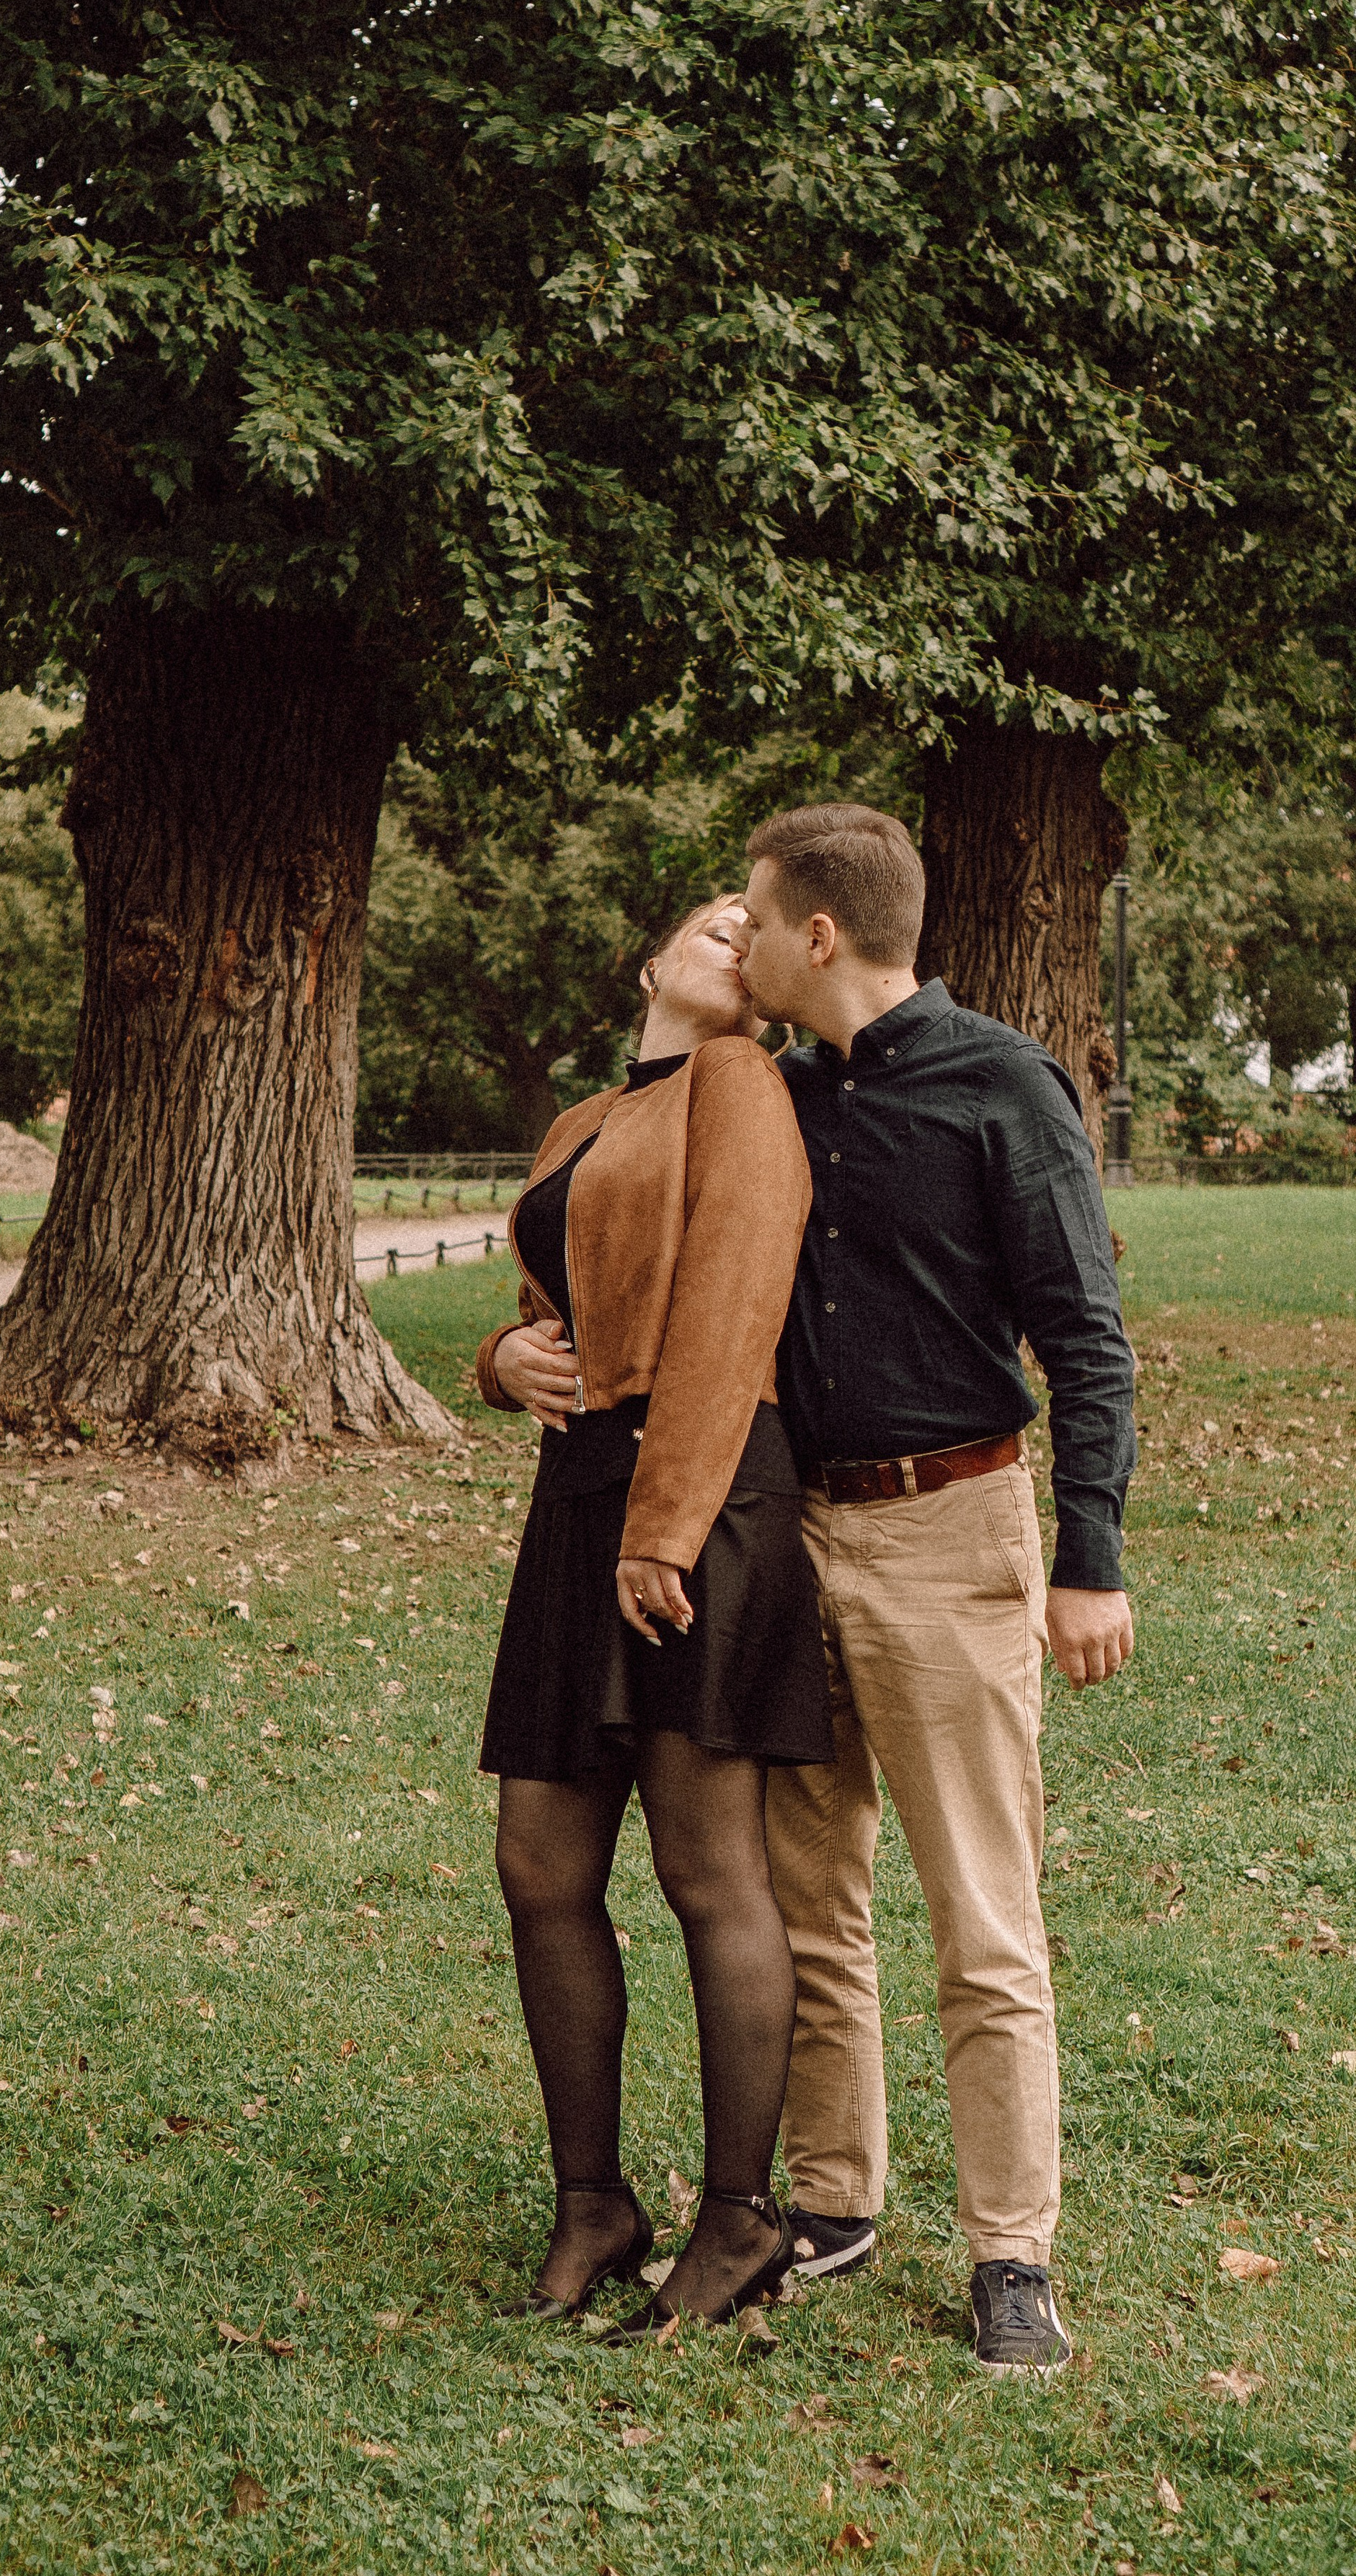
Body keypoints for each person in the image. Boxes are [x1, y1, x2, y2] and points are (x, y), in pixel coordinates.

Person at [731, 804, 1138, 2381]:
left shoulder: (1002, 1086)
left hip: (950, 1531)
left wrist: (1087, 1561)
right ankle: (833, 2203)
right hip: (789, 1537)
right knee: (805, 1890)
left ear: (818, 934)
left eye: (758, 918)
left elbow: (1086, 1338)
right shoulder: (765, 1098)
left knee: (982, 1910)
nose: (748, 942)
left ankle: (1009, 2252)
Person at [473, 896, 831, 2340]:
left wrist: (667, 1526)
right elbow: (545, 1305)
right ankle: (592, 2205)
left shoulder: (740, 1088)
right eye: (709, 915)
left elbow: (734, 1310)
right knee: (539, 1859)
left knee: (706, 1870)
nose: (728, 933)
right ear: (652, 954)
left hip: (696, 1494)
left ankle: (740, 2221)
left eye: (757, 932)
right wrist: (502, 1360)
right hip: (577, 1502)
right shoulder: (582, 1119)